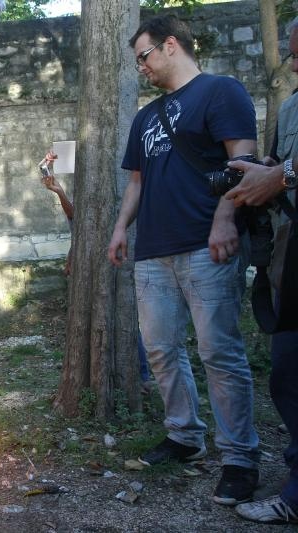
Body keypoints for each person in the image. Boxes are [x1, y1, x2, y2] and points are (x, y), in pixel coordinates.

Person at [107, 15, 260, 505]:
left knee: (220, 353)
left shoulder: (220, 92)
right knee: (160, 351)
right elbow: (136, 182)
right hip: (153, 252)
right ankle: (184, 436)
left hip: (205, 245)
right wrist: (118, 229)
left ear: (170, 45)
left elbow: (245, 162)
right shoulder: (146, 117)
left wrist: (223, 221)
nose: (142, 68)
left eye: (145, 56)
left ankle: (239, 457)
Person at [223, 16, 298, 526]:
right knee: (288, 373)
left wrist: (283, 175)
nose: (295, 62)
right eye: (292, 53)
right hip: (291, 258)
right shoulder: (290, 106)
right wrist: (266, 169)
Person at [40, 152, 153, 387]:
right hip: (91, 267)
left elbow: (79, 219)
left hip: (118, 262)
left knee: (124, 317)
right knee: (99, 320)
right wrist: (72, 257)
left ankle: (141, 376)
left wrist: (60, 192)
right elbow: (77, 225)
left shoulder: (113, 191)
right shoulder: (87, 195)